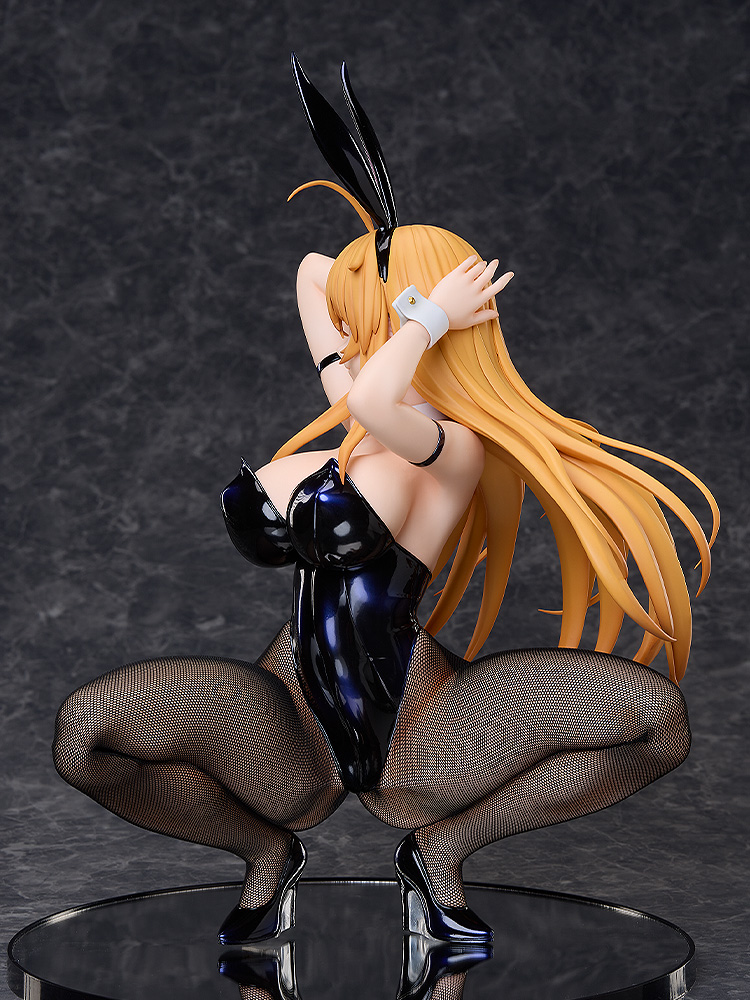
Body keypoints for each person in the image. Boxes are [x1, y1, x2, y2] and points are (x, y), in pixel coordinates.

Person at [52, 61, 717, 954]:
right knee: (85, 734)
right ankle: (264, 853)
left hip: (421, 725)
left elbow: (372, 396)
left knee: (657, 722)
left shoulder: (449, 445)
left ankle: (443, 851)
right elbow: (310, 275)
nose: (359, 333)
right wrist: (381, 257)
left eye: (378, 317)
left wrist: (429, 316)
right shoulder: (358, 412)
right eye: (368, 315)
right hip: (288, 722)